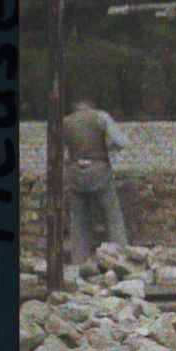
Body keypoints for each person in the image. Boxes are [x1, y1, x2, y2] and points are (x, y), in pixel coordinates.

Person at [62, 96, 129, 270]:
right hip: (99, 171)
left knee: (78, 220)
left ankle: (79, 264)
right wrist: (110, 150)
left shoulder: (65, 122)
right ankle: (120, 258)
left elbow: (61, 153)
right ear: (91, 104)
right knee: (112, 215)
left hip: (75, 172)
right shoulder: (101, 117)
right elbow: (122, 141)